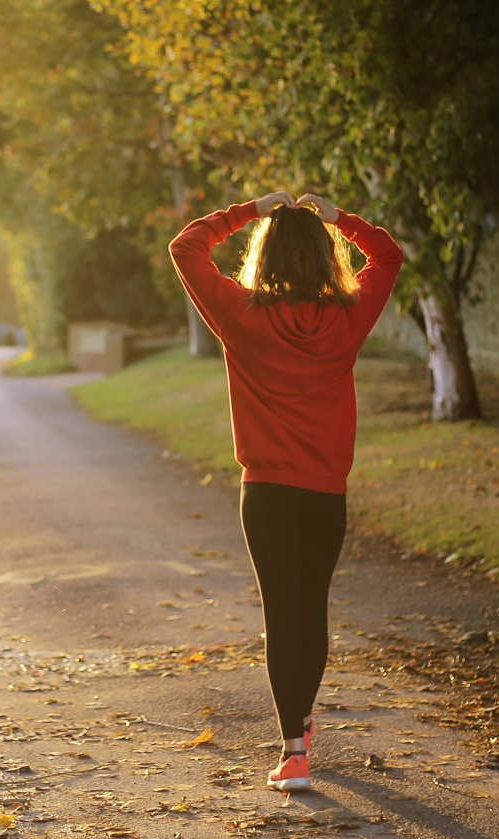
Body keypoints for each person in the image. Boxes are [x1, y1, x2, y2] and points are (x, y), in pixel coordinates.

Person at [168, 191, 404, 792]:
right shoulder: (349, 317)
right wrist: (339, 219)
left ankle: (294, 751)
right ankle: (299, 727)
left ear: (264, 257)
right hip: (326, 493)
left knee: (282, 614)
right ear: (326, 259)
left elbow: (186, 247)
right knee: (312, 609)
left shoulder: (241, 314)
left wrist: (249, 210)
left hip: (267, 493)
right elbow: (389, 255)